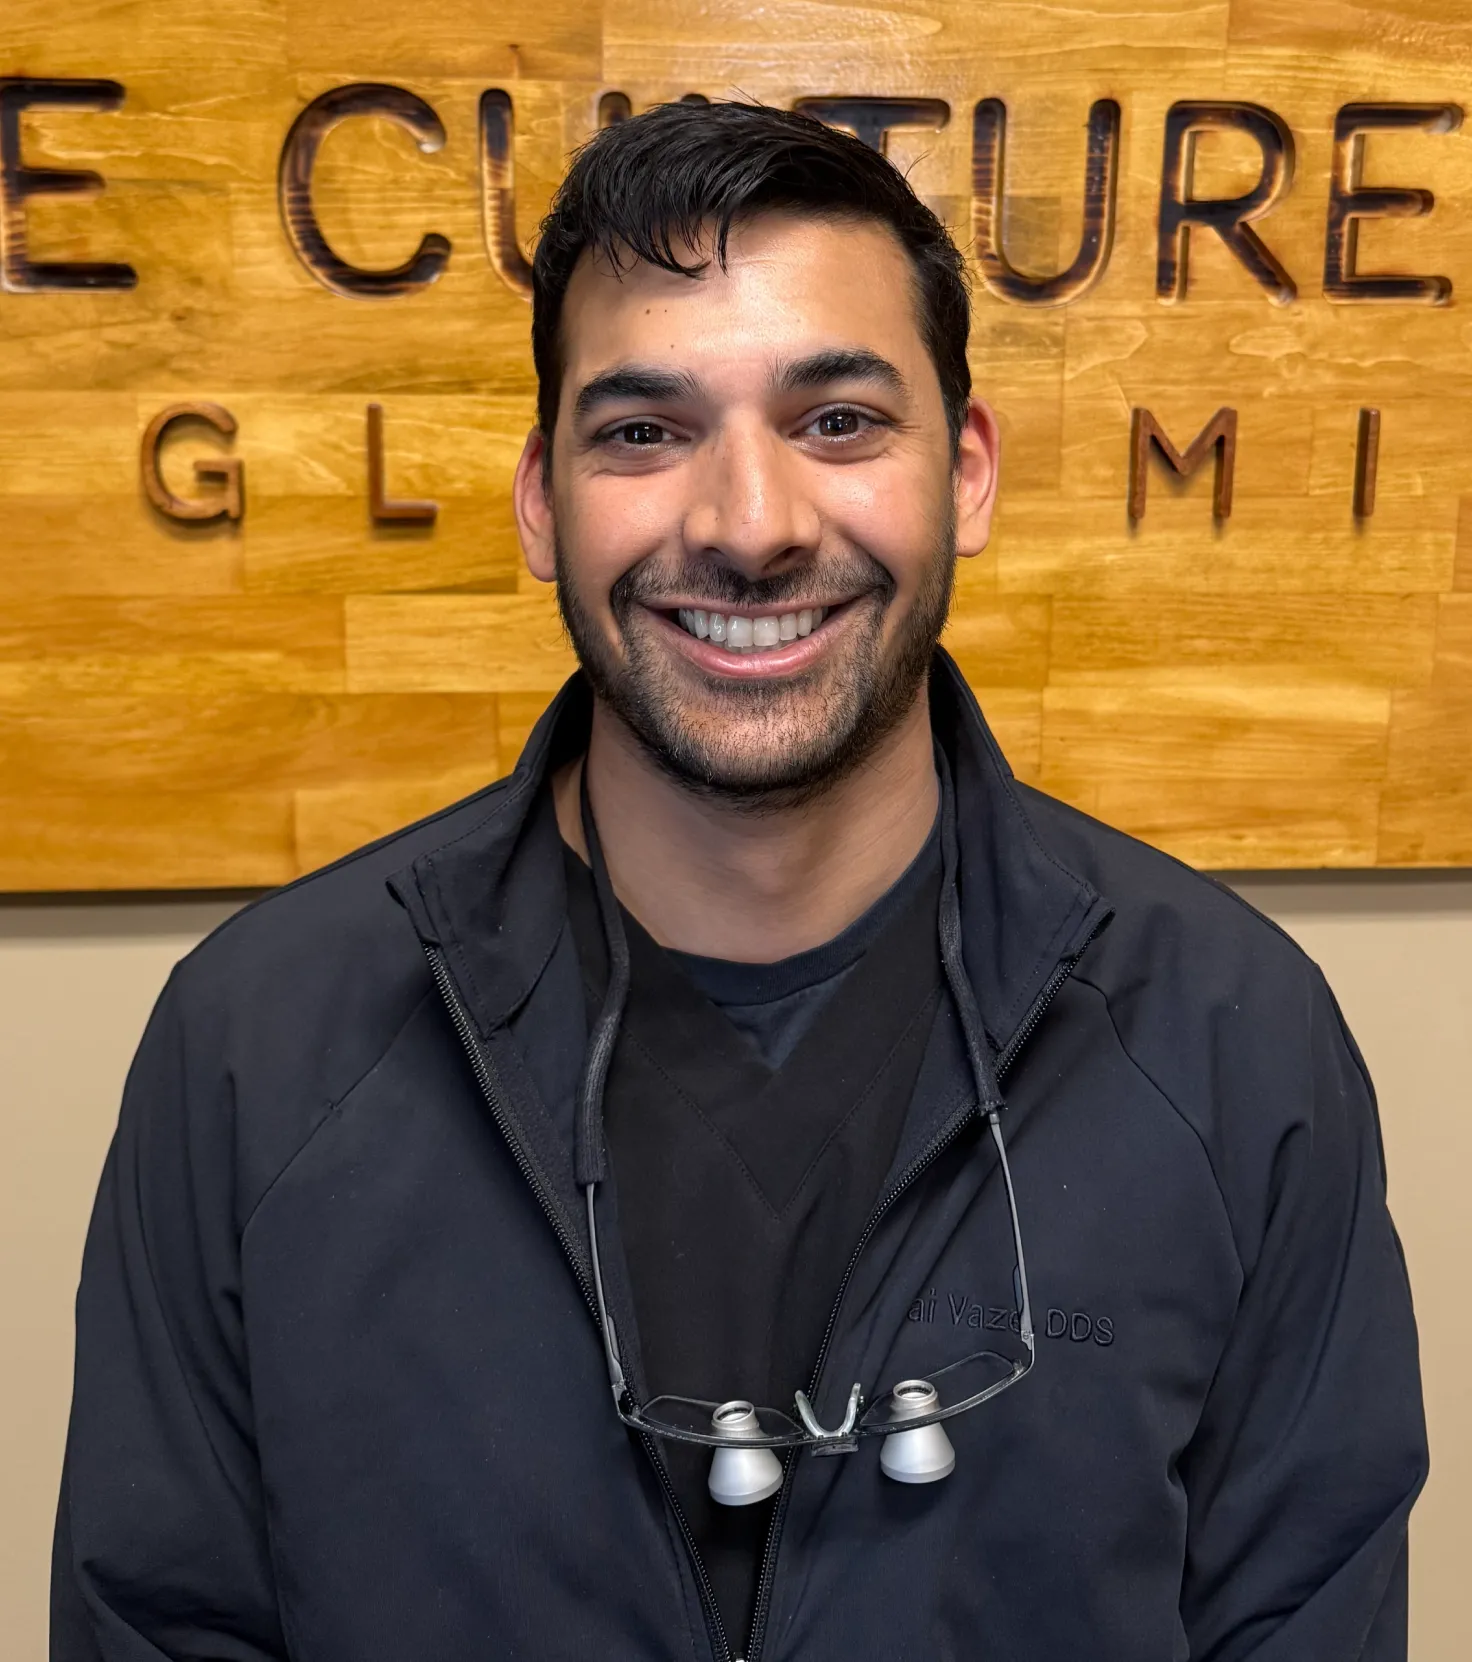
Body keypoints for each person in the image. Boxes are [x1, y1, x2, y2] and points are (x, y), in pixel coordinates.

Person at [53, 100, 1426, 1662]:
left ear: (967, 472)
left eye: (837, 420)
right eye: (645, 431)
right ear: (541, 500)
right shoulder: (258, 1050)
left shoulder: (1237, 1047)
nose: (749, 525)